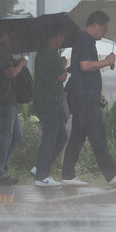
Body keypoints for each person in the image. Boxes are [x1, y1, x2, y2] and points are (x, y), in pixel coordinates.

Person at [61, 10, 116, 187]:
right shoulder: (84, 40)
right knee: (98, 136)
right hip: (85, 99)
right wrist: (106, 62)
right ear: (95, 25)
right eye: (104, 28)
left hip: (84, 96)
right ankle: (111, 175)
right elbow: (85, 66)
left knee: (77, 137)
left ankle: (67, 175)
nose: (105, 32)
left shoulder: (85, 41)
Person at [0, 29, 28, 186]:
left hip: (7, 99)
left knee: (16, 135)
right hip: (3, 99)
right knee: (5, 136)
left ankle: (2, 169)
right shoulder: (2, 48)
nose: (14, 37)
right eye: (12, 33)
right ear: (5, 33)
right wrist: (21, 64)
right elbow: (10, 73)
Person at [32, 24, 69, 187]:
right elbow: (61, 77)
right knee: (50, 138)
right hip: (50, 104)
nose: (63, 40)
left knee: (61, 137)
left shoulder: (41, 53)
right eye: (62, 37)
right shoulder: (51, 54)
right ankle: (42, 176)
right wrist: (64, 66)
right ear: (57, 36)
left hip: (45, 103)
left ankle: (40, 168)